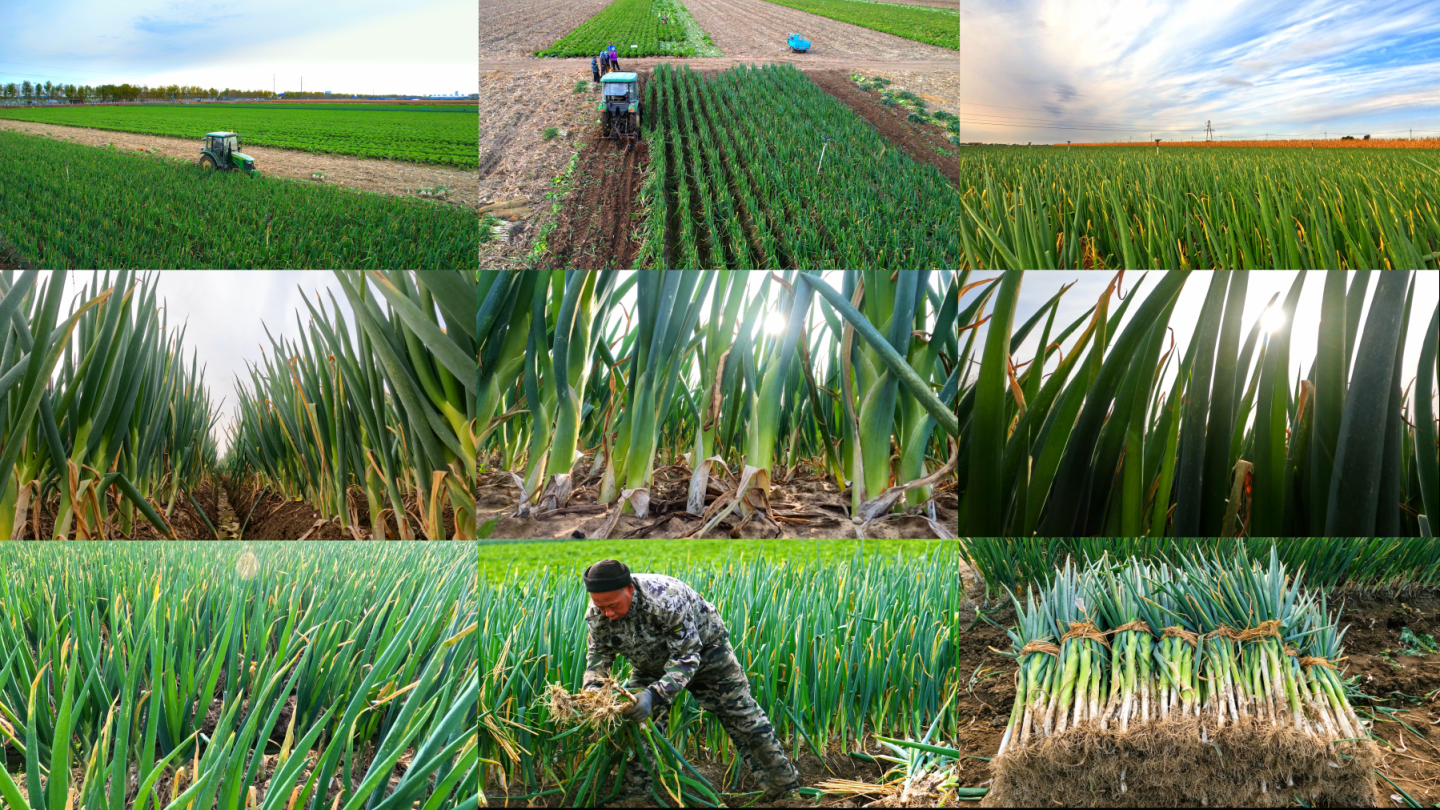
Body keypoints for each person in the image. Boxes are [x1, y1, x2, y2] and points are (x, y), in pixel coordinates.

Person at [581, 560, 801, 803]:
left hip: (707, 654)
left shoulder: (665, 600)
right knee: (636, 726)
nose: (607, 613)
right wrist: (593, 690)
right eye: (601, 607)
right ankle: (635, 797)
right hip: (650, 664)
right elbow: (599, 655)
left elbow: (686, 658)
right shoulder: (597, 615)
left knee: (743, 717)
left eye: (612, 606)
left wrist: (653, 696)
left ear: (630, 590)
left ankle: (785, 790)